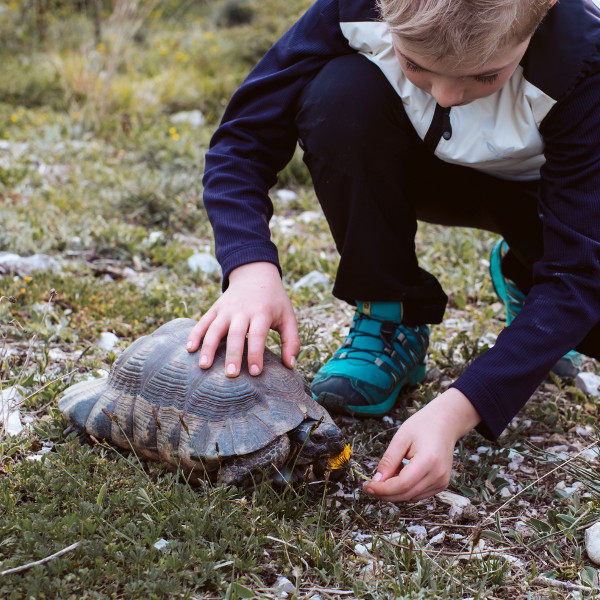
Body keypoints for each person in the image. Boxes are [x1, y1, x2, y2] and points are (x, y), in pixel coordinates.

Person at [186, 0, 600, 502]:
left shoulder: (585, 54)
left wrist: (459, 408)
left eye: (487, 75)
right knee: (337, 93)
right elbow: (242, 141)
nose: (447, 95)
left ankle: (528, 271)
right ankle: (391, 314)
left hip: (552, 196)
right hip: (415, 165)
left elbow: (579, 273)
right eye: (416, 65)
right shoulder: (352, 7)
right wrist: (249, 270)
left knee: (580, 309)